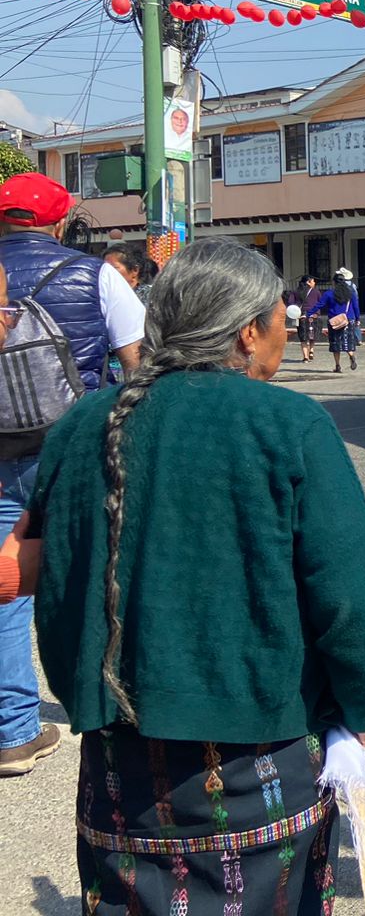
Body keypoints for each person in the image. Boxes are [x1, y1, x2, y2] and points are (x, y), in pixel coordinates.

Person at [3, 238, 365, 910]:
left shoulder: (84, 424)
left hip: (119, 770)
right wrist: (359, 710)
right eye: (279, 318)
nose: (286, 332)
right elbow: (351, 601)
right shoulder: (290, 424)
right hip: (261, 766)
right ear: (247, 333)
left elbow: (47, 576)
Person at [0, 173, 143, 779]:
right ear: (60, 224)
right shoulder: (97, 275)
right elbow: (138, 364)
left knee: (7, 579)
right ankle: (121, 701)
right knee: (107, 564)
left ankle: (13, 729)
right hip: (78, 446)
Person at [309, 266, 361, 373]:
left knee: (335, 343)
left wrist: (309, 313)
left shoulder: (329, 293)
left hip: (334, 321)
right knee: (348, 341)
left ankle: (337, 366)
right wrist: (357, 318)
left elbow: (320, 304)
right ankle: (351, 355)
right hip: (348, 319)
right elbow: (356, 306)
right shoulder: (351, 293)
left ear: (334, 282)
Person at [296, 273, 322, 363]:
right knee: (312, 335)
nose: (314, 283)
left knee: (303, 338)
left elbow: (293, 302)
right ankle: (311, 350)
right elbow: (320, 302)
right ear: (308, 282)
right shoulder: (316, 292)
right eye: (313, 281)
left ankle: (305, 357)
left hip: (302, 316)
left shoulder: (298, 292)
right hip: (314, 316)